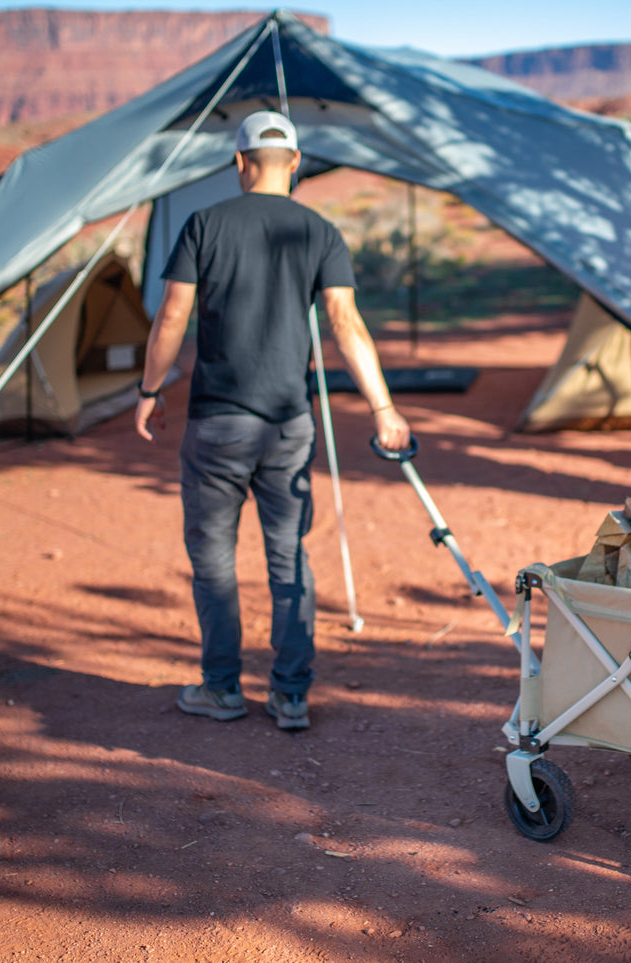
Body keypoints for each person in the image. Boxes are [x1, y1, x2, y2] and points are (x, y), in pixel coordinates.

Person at [135, 110, 410, 732]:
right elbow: (347, 325)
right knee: (288, 556)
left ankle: (222, 688)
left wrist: (150, 389)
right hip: (289, 425)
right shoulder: (321, 231)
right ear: (296, 164)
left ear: (240, 162)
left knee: (214, 558)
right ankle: (289, 695)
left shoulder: (204, 224)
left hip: (216, 425)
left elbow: (172, 316)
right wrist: (383, 407)